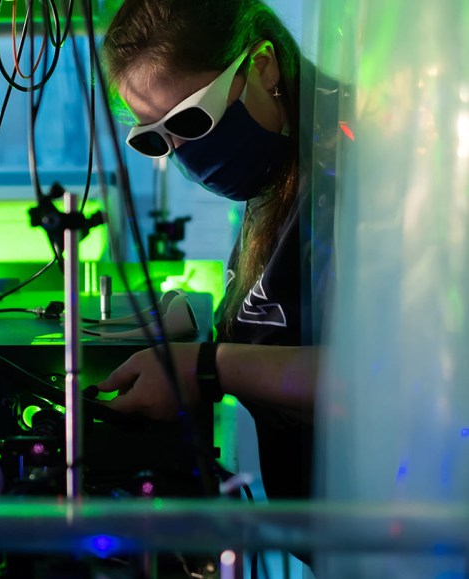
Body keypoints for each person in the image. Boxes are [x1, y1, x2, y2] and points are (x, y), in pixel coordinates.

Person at [97, 0, 337, 500]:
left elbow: (386, 376)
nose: (183, 154)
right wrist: (203, 325)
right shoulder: (279, 176)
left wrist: (206, 365)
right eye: (155, 139)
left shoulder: (352, 172)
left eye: (190, 120)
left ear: (262, 65)